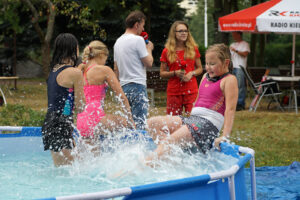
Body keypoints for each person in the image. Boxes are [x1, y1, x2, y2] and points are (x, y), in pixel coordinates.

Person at [145, 43, 238, 162]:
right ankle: (171, 159)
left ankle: (147, 164)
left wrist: (225, 136)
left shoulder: (229, 80)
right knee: (152, 124)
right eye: (207, 63)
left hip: (207, 125)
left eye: (212, 64)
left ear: (226, 63)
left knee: (169, 142)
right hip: (193, 120)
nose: (208, 67)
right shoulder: (205, 76)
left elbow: (230, 110)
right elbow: (199, 100)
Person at [41, 33, 86, 167]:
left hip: (50, 122)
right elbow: (81, 106)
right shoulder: (75, 73)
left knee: (62, 169)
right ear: (73, 49)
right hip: (62, 123)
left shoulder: (53, 70)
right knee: (70, 171)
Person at [77, 40, 135, 139]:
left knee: (92, 152)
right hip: (96, 118)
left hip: (81, 120)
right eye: (106, 58)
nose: (105, 62)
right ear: (101, 54)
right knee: (125, 124)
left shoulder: (80, 70)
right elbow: (122, 97)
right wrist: (130, 120)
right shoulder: (104, 70)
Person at [113, 10, 154, 130]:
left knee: (129, 125)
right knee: (140, 124)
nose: (143, 28)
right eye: (142, 25)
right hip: (137, 86)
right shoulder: (138, 40)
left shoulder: (118, 42)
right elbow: (149, 63)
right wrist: (149, 48)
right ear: (137, 24)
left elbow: (116, 69)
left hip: (124, 87)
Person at [160, 21, 203, 116]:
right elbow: (162, 73)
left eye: (186, 31)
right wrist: (174, 73)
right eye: (180, 31)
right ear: (174, 33)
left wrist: (191, 73)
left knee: (194, 119)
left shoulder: (193, 48)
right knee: (173, 122)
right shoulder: (166, 51)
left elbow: (200, 68)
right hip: (174, 91)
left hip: (191, 90)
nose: (184, 33)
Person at [230, 31, 250, 111]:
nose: (233, 36)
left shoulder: (245, 44)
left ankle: (241, 103)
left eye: (234, 34)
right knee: (233, 87)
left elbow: (245, 54)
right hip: (233, 67)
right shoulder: (232, 45)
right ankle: (234, 103)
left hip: (240, 67)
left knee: (240, 86)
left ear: (239, 34)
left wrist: (236, 51)